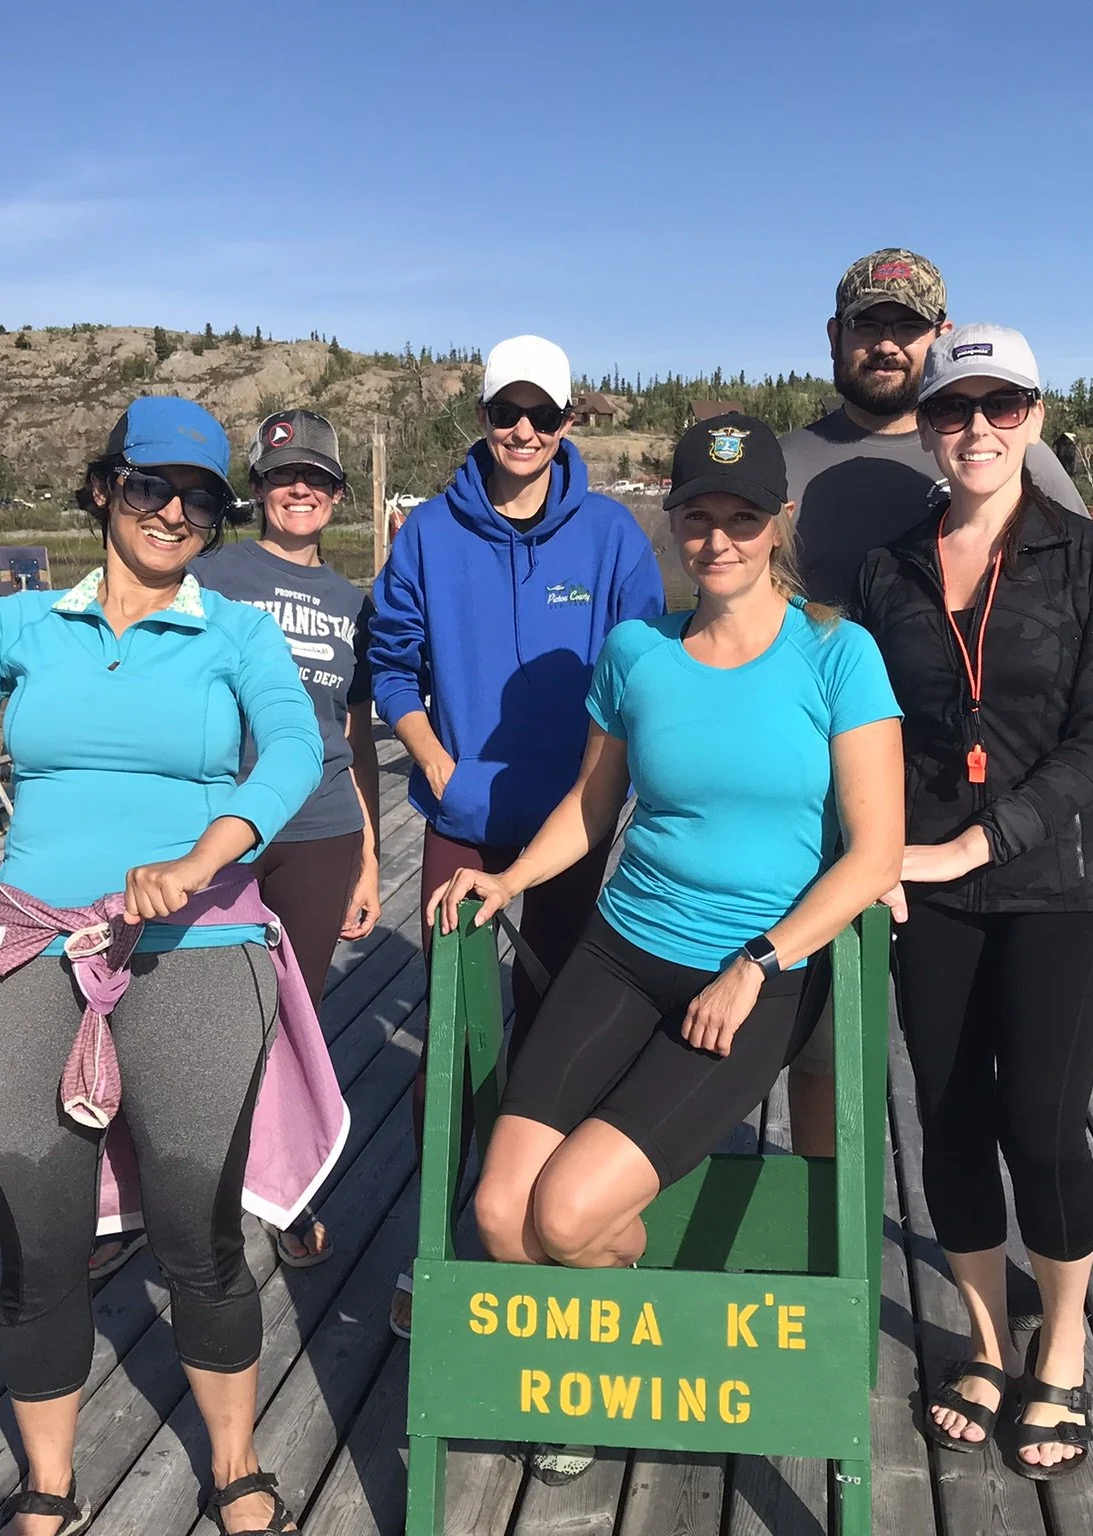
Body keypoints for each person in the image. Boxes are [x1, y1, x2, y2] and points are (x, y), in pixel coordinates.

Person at [0, 396, 329, 1536]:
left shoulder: (237, 633)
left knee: (195, 1232)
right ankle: (48, 1484)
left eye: (200, 498)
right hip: (32, 941)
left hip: (196, 939)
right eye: (150, 486)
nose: (173, 512)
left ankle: (233, 1462)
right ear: (105, 485)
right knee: (41, 1234)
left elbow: (297, 749)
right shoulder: (24, 625)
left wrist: (206, 853)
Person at [432, 411, 903, 1280]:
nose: (717, 539)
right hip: (623, 951)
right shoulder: (637, 651)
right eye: (697, 516)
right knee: (500, 1214)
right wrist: (508, 879)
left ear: (780, 522)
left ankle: (631, 1350)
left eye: (743, 517)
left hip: (758, 973)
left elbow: (875, 855)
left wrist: (759, 962)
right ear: (672, 520)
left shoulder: (840, 652)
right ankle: (588, 1373)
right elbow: (590, 803)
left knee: (567, 1217)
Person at [856, 327, 1093, 1480]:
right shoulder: (888, 569)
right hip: (922, 883)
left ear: (1031, 414)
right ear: (925, 425)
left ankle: (1061, 1344)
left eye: (999, 405)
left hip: (1063, 879)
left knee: (1038, 1119)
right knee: (947, 1119)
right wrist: (869, 857)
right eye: (949, 409)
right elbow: (864, 735)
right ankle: (984, 1339)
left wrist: (971, 843)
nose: (974, 427)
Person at [369, 333, 665, 1338]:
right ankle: (435, 1249)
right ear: (483, 418)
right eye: (507, 414)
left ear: (570, 422)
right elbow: (391, 665)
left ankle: (543, 1239)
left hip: (569, 828)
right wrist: (432, 755)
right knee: (449, 1033)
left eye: (544, 415)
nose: (525, 432)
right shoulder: (425, 534)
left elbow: (640, 677)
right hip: (460, 819)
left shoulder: (613, 537)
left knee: (556, 1032)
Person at [780, 247, 1091, 1159]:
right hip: (819, 810)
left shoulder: (1003, 455)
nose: (885, 344)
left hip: (965, 824)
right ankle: (821, 1235)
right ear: (835, 338)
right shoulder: (785, 469)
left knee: (985, 1058)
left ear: (940, 337)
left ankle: (1023, 1233)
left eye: (905, 328)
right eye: (867, 326)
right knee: (822, 1036)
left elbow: (1077, 628)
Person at [191, 409, 381, 1272]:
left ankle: (284, 1188)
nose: (298, 489)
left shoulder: (354, 604)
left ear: (336, 496)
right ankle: (178, 1185)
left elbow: (357, 733)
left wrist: (370, 857)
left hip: (321, 829)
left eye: (316, 478)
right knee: (191, 1006)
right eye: (280, 476)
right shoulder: (207, 574)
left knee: (287, 1014)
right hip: (218, 829)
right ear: (258, 491)